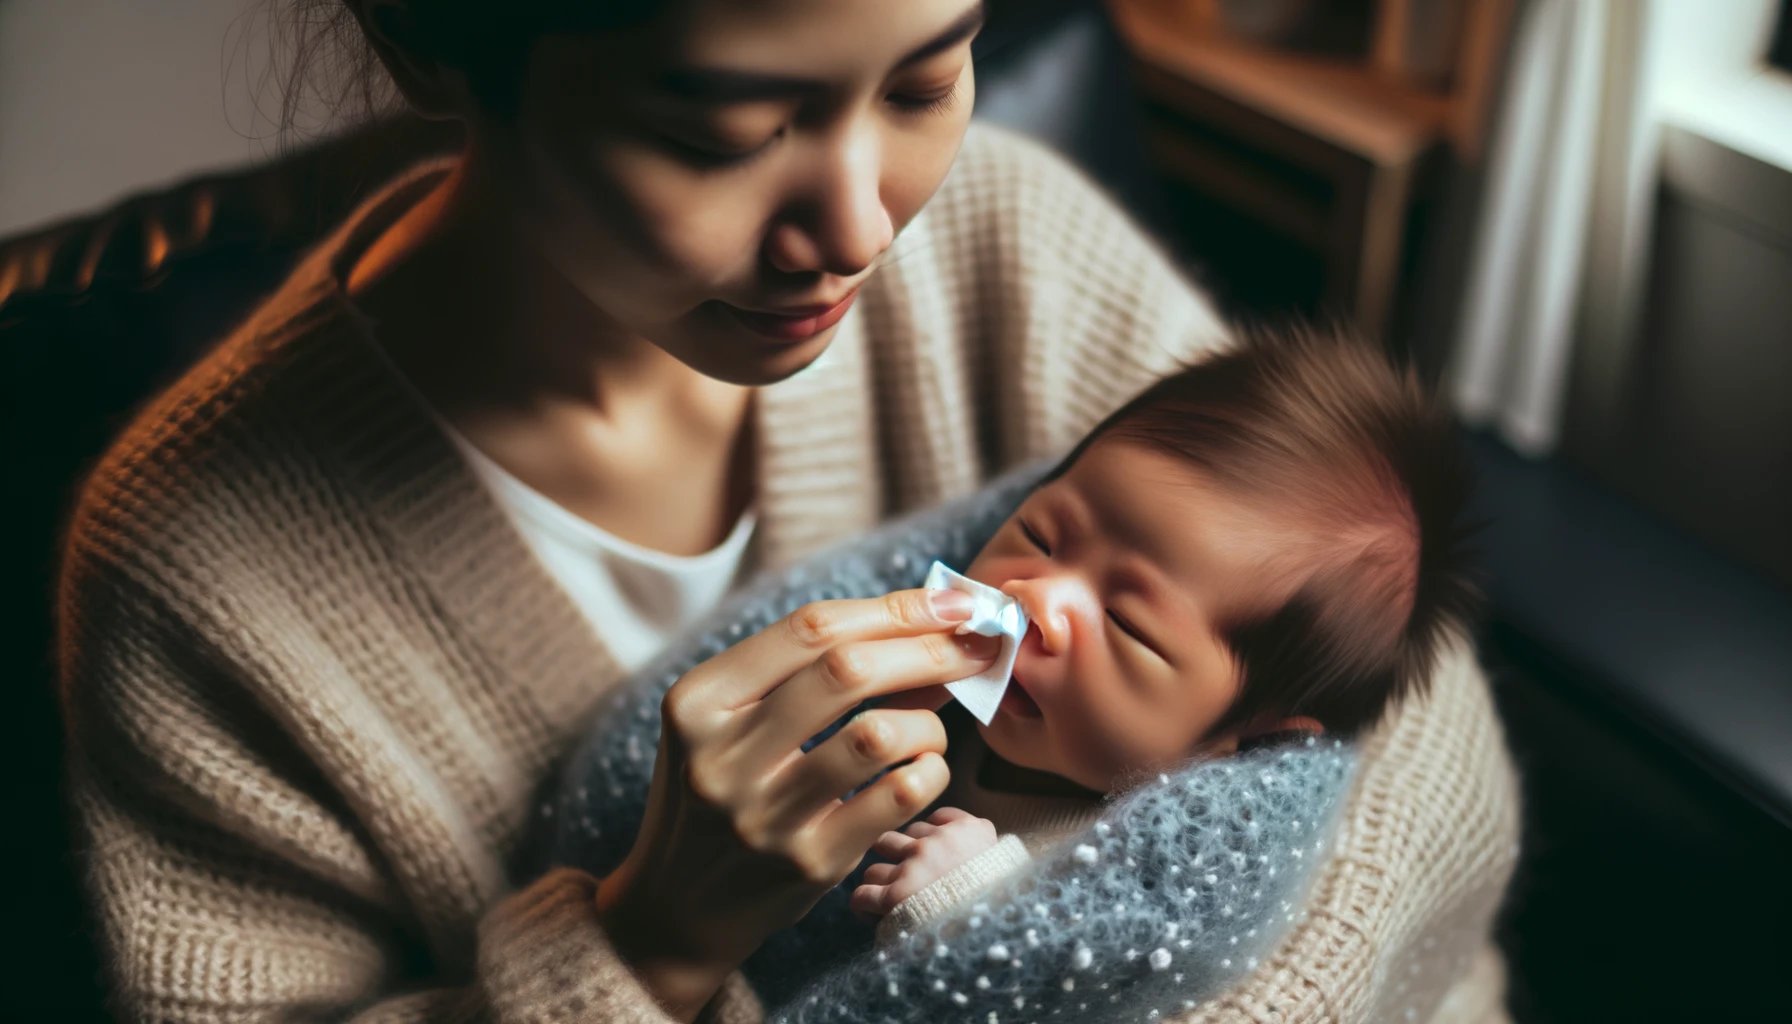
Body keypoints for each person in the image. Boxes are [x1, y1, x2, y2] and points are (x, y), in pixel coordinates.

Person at [54, 3, 1516, 1024]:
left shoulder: (1010, 239)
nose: (864, 229)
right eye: (731, 132)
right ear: (449, 38)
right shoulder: (198, 575)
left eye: (927, 81)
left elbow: (1404, 694)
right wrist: (648, 940)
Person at [845, 328, 1476, 937]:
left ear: (1248, 736)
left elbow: (1069, 982)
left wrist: (966, 905)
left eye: (1127, 624)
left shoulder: (1153, 875)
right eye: (1039, 535)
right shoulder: (960, 701)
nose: (1034, 596)